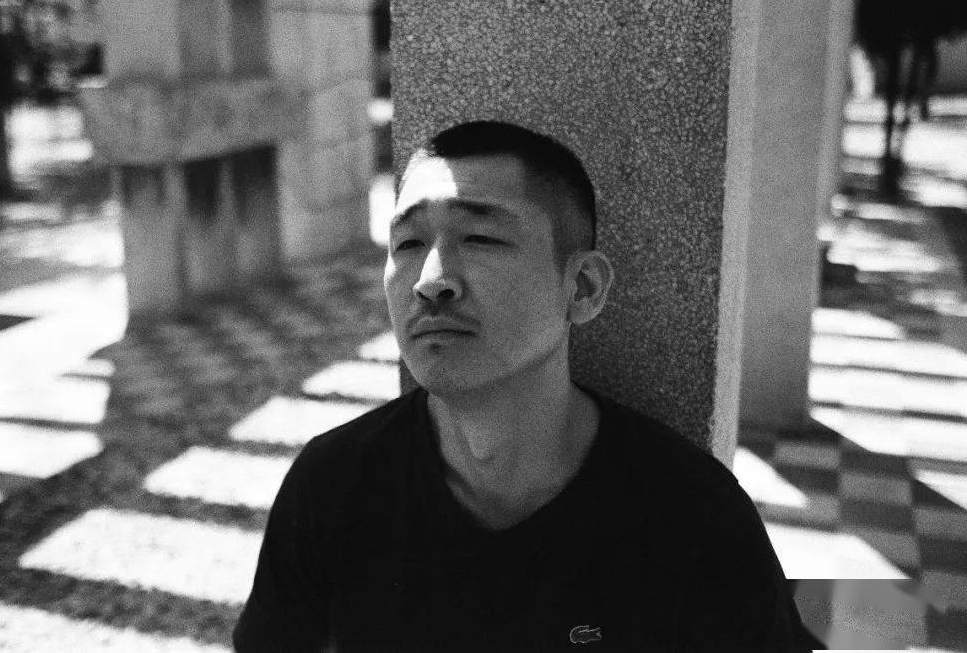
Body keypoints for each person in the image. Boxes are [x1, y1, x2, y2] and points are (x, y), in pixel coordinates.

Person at [233, 121, 813, 652]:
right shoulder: (334, 485)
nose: (431, 281)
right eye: (407, 244)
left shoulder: (693, 517)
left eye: (480, 239)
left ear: (582, 288)